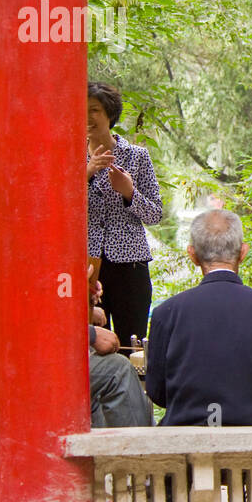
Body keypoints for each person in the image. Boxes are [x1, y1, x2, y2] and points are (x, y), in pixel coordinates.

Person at [0, 156, 151, 426]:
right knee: (115, 370)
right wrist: (90, 334)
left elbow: (20, 304)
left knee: (89, 380)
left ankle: (96, 461)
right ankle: (139, 462)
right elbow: (24, 323)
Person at [145, 209, 252, 426]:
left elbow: (157, 392)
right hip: (251, 435)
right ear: (243, 253)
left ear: (192, 255)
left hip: (184, 437)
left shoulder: (166, 313)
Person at [86, 81, 163, 349]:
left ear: (109, 114)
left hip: (130, 266)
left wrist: (130, 192)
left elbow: (155, 213)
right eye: (81, 110)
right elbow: (53, 208)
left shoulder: (137, 156)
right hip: (86, 266)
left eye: (94, 110)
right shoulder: (68, 157)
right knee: (90, 345)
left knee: (133, 343)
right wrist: (84, 174)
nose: (87, 117)